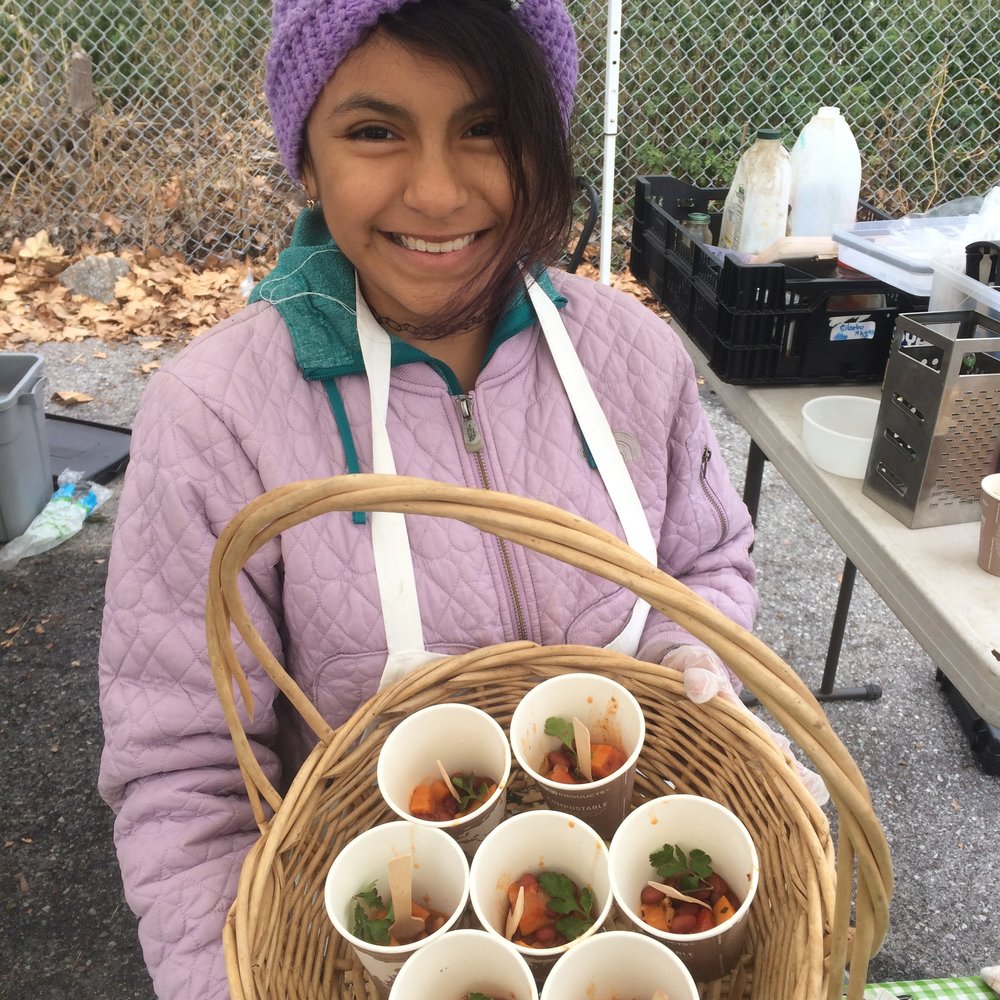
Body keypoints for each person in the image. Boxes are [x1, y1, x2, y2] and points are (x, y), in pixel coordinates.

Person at [97, 0, 822, 996]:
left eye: (486, 127)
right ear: (305, 158)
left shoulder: (632, 356)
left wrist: (681, 648)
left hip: (625, 926)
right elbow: (184, 779)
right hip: (392, 945)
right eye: (373, 130)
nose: (436, 192)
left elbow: (702, 564)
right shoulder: (214, 418)